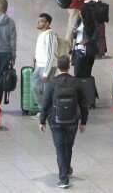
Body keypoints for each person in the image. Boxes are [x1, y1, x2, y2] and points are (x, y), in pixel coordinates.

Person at [39, 55, 89, 189]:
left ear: (58, 67)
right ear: (69, 66)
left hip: (55, 121)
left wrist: (42, 121)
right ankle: (66, 169)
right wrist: (83, 121)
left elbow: (45, 103)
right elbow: (84, 104)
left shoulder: (51, 83)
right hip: (73, 120)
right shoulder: (76, 82)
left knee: (60, 148)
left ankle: (63, 179)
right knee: (68, 146)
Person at [32, 13, 59, 108]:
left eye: (41, 21)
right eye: (38, 21)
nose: (39, 23)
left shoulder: (50, 35)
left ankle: (47, 112)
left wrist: (46, 73)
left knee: (46, 91)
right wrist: (36, 56)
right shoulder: (42, 34)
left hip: (48, 67)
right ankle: (43, 109)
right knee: (35, 86)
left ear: (47, 23)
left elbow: (50, 54)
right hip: (39, 66)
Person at [70, 3, 97, 78]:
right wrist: (74, 32)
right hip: (78, 48)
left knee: (86, 72)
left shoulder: (93, 23)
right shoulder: (79, 21)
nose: (79, 14)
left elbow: (96, 36)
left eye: (81, 12)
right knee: (77, 72)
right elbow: (75, 36)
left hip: (87, 50)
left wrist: (87, 40)